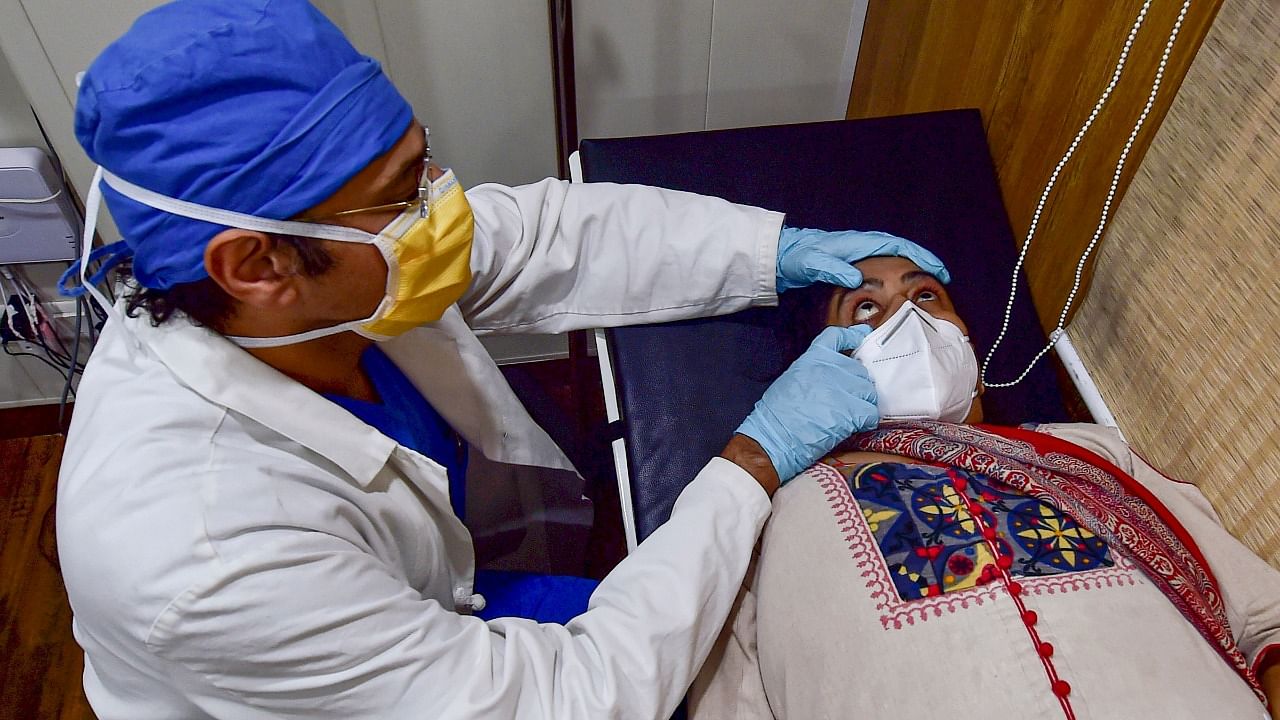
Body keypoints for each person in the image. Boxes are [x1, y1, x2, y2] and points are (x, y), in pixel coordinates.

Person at [52, 2, 953, 718]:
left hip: (445, 587)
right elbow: (567, 699)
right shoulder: (203, 559)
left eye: (424, 165)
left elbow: (546, 241)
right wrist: (755, 458)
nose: (441, 205)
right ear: (258, 266)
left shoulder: (320, 281)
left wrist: (778, 252)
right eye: (404, 196)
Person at [690, 256, 1280, 720]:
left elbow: (1265, 618)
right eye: (866, 306)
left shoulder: (1091, 453)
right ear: (821, 362)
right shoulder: (764, 509)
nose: (907, 319)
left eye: (926, 296)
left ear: (968, 339)